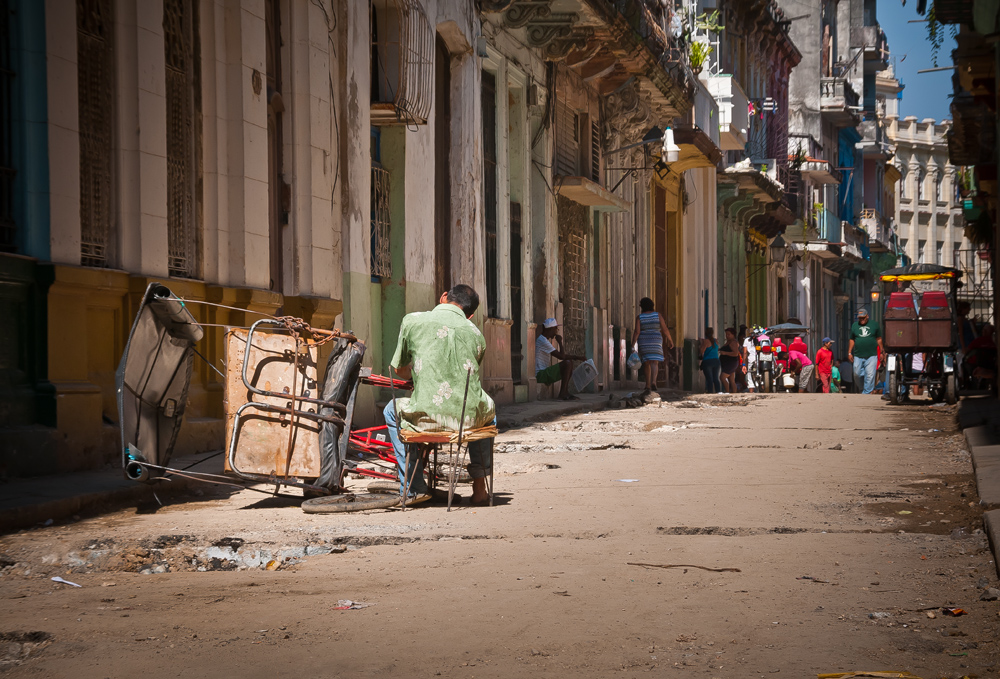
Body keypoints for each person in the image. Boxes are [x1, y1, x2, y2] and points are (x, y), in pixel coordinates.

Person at [385, 284, 496, 505]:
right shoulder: (476, 334)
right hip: (466, 421)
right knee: (487, 414)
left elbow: (399, 369)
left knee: (391, 409)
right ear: (470, 315)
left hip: (423, 419)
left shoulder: (412, 320)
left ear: (443, 297)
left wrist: (419, 372)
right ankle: (480, 489)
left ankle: (414, 486)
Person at [631, 297, 675, 397]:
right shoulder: (658, 315)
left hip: (644, 341)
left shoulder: (640, 317)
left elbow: (637, 331)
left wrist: (633, 343)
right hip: (656, 340)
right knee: (655, 362)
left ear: (642, 306)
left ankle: (647, 385)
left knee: (647, 362)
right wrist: (670, 340)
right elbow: (665, 329)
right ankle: (654, 382)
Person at [535, 318, 586, 401]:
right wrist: (560, 342)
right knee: (567, 363)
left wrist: (577, 357)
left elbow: (562, 356)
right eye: (555, 328)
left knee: (569, 363)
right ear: (550, 329)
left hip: (543, 373)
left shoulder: (544, 340)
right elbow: (561, 357)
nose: (556, 331)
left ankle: (565, 391)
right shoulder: (542, 340)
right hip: (540, 374)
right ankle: (563, 393)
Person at [848, 308, 883, 394]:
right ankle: (862, 388)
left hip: (872, 355)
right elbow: (852, 339)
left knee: (870, 375)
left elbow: (879, 339)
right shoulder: (854, 326)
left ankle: (866, 392)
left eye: (863, 318)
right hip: (858, 355)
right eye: (860, 318)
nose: (862, 320)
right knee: (856, 373)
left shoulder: (874, 325)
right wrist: (849, 352)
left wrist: (882, 352)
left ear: (867, 316)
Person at [699, 327, 723, 393]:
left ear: (705, 333)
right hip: (716, 361)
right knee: (716, 378)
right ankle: (718, 391)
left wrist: (701, 344)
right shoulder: (716, 341)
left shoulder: (706, 341)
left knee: (709, 378)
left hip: (708, 361)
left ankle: (710, 392)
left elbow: (701, 351)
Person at [719, 327, 741, 393]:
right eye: (726, 334)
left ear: (733, 335)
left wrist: (724, 353)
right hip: (728, 363)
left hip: (731, 363)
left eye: (729, 334)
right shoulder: (729, 342)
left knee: (722, 377)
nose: (727, 336)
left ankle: (727, 392)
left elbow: (735, 353)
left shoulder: (733, 342)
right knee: (731, 380)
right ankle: (734, 393)